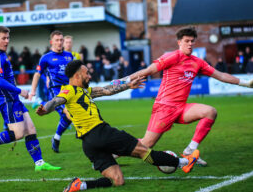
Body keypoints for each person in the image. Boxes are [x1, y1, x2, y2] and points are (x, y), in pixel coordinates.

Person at [36, 60, 200, 192]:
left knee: (117, 180)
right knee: (143, 151)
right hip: (101, 133)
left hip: (89, 144)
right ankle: (184, 162)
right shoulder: (68, 90)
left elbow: (107, 90)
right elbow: (56, 101)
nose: (89, 76)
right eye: (87, 73)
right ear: (78, 75)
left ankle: (81, 185)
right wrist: (46, 109)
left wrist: (128, 85)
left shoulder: (86, 91)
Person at [112, 26, 253, 166]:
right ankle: (113, 152)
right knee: (146, 144)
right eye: (187, 41)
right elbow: (148, 70)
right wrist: (122, 81)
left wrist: (246, 83)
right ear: (179, 42)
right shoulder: (171, 57)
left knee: (210, 112)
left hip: (181, 108)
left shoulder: (198, 62)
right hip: (164, 108)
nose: (190, 44)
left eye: (192, 41)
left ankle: (189, 151)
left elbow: (221, 75)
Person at [0, 26, 60, 172]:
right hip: (6, 100)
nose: (7, 41)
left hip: (13, 98)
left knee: (31, 129)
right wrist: (21, 91)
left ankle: (39, 163)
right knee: (17, 134)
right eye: (3, 38)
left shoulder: (1, 54)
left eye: (8, 38)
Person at [29, 30, 73, 153]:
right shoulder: (45, 58)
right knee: (70, 114)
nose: (59, 42)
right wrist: (32, 91)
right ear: (51, 42)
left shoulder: (69, 56)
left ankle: (56, 138)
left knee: (67, 116)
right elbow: (37, 74)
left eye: (61, 40)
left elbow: (73, 74)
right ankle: (88, 138)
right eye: (57, 40)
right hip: (56, 92)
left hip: (69, 90)